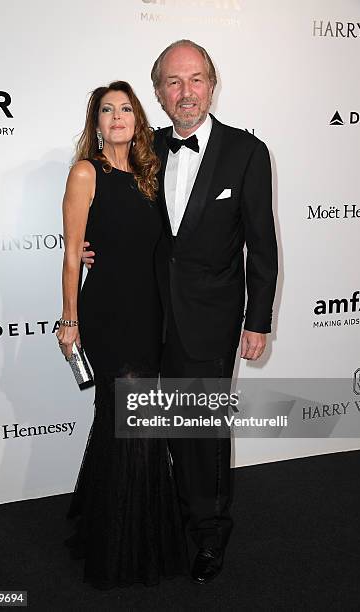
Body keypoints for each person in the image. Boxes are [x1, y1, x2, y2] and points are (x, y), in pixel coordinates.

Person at [83, 40, 278, 585]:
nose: (185, 92)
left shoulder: (246, 153)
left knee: (201, 437)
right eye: (173, 82)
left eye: (195, 80)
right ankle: (154, 524)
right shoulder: (142, 148)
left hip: (209, 320)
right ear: (159, 93)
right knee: (150, 431)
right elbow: (107, 208)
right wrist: (85, 246)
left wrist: (256, 321)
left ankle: (209, 534)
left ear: (211, 85)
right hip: (143, 317)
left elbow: (261, 245)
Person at [56, 80, 187, 590]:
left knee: (126, 419)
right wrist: (70, 319)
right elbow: (72, 255)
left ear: (138, 119)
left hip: (149, 313)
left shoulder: (151, 175)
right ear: (96, 123)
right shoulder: (87, 173)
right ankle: (120, 546)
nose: (116, 117)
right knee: (131, 418)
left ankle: (105, 524)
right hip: (108, 313)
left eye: (125, 109)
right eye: (107, 110)